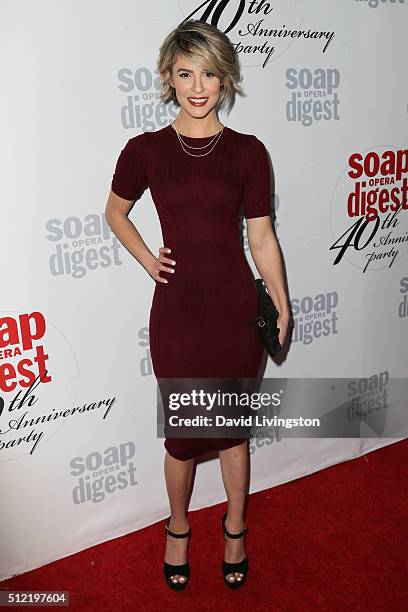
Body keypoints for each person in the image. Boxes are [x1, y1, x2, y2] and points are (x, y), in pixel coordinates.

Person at [105, 20, 289, 591]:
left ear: (225, 77)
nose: (198, 85)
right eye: (186, 73)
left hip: (233, 310)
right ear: (168, 77)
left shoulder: (248, 153)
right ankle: (178, 527)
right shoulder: (145, 150)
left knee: (233, 430)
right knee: (184, 434)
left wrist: (280, 300)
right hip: (178, 313)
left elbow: (261, 238)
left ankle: (235, 527)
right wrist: (146, 259)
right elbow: (115, 212)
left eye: (209, 72)